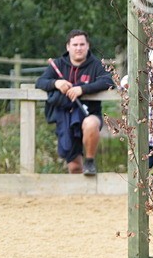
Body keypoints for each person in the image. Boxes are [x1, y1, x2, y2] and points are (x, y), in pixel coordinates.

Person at [36, 30, 115, 175]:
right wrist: (56, 83)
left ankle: (90, 162)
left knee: (91, 124)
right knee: (74, 167)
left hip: (89, 114)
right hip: (65, 118)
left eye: (82, 44)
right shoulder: (58, 64)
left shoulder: (96, 65)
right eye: (75, 44)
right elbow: (40, 82)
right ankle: (82, 195)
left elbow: (108, 81)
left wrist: (82, 89)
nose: (78, 48)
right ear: (68, 47)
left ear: (88, 46)